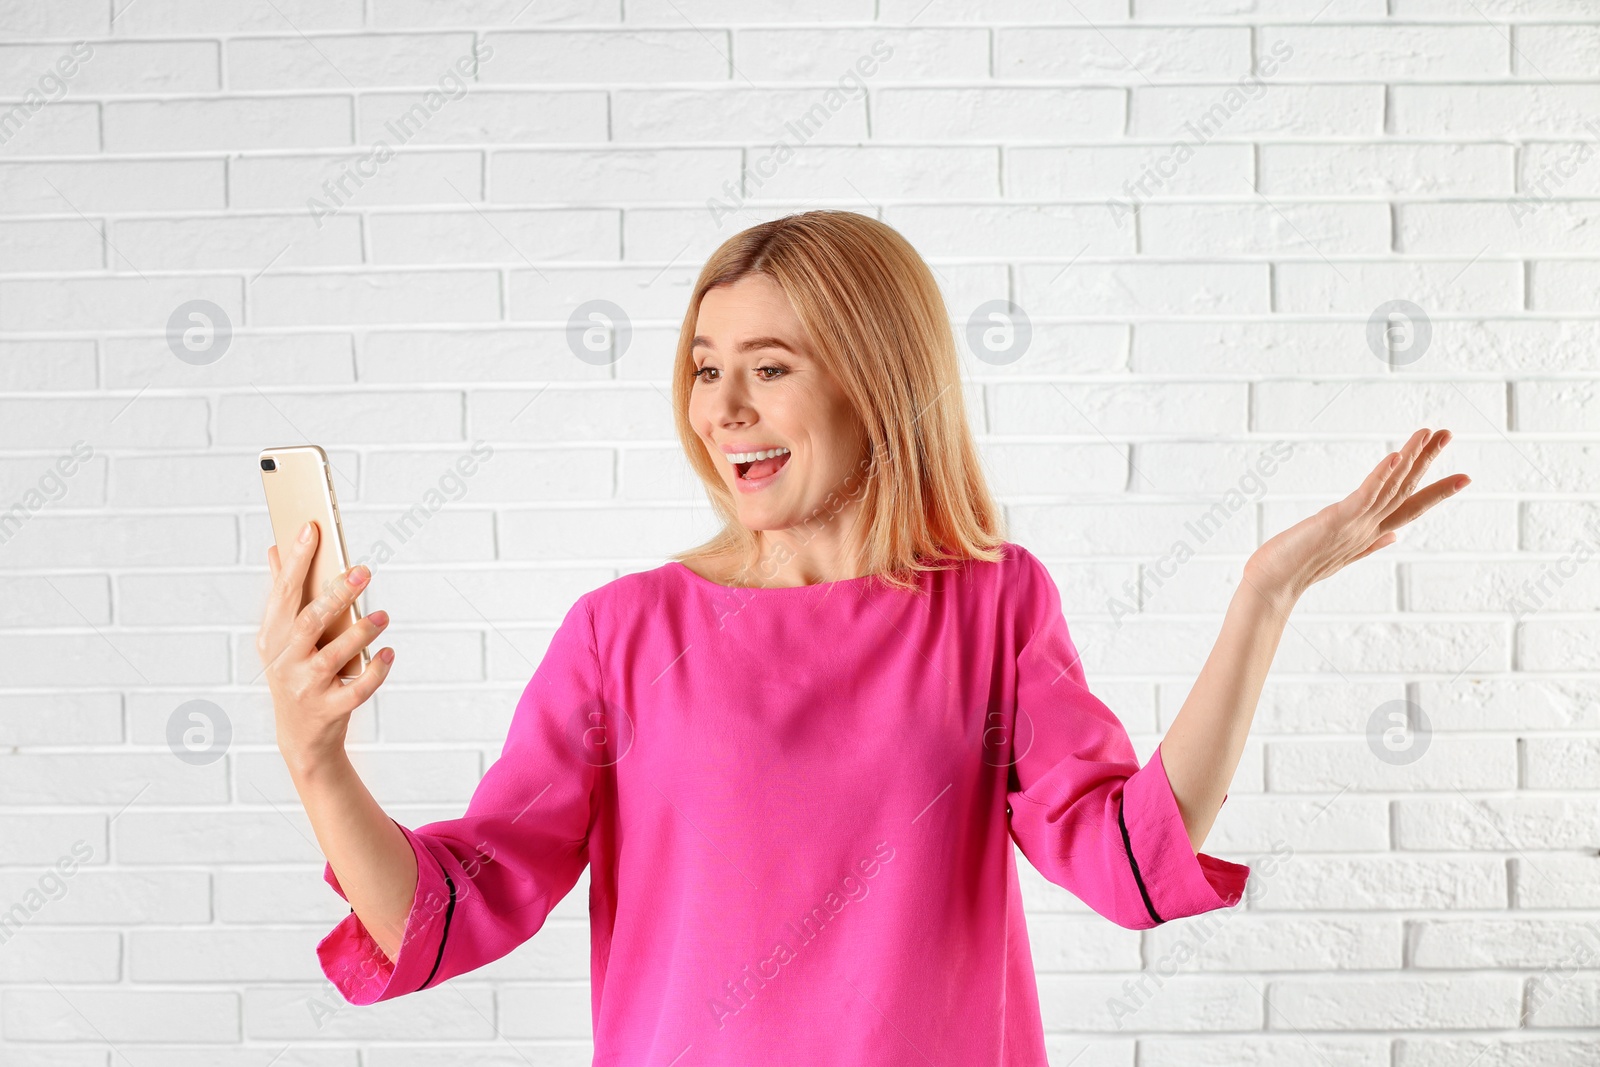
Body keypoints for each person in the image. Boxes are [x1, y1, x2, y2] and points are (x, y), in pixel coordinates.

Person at [256, 211, 1470, 1064]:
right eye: (703, 367)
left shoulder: (993, 607)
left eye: (768, 368)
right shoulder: (622, 634)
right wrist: (319, 761)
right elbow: (451, 911)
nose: (720, 409)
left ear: (873, 383)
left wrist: (1261, 597)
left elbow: (1128, 862)